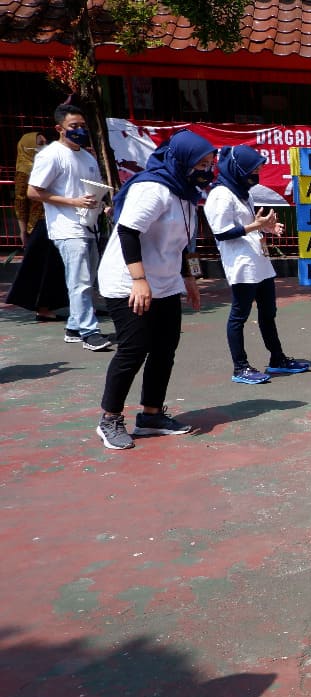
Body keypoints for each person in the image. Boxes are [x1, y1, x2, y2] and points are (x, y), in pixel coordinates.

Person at [94, 130, 217, 450]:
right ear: (182, 161)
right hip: (128, 281)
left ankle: (151, 415)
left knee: (164, 348)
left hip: (164, 281)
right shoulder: (153, 189)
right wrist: (138, 280)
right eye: (201, 163)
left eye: (209, 163)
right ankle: (110, 419)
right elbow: (128, 231)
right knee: (133, 349)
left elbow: (184, 242)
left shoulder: (186, 193)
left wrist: (189, 278)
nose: (206, 170)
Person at [205, 144, 309, 385]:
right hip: (241, 265)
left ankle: (277, 359)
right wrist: (256, 226)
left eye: (258, 171)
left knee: (268, 313)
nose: (256, 175)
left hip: (259, 261)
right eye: (253, 170)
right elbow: (222, 232)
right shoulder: (220, 195)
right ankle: (240, 367)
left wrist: (268, 227)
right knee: (239, 316)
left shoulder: (243, 192)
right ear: (237, 168)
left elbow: (250, 223)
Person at [27, 103, 112, 351]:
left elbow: (94, 189)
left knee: (88, 278)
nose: (80, 130)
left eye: (83, 126)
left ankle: (74, 326)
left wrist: (103, 205)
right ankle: (89, 331)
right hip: (67, 227)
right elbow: (33, 191)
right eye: (74, 126)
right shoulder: (51, 155)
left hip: (89, 224)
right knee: (80, 280)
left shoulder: (87, 156)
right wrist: (73, 202)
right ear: (60, 129)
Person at [6, 131, 69, 321]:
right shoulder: (24, 170)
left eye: (44, 142)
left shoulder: (48, 165)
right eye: (39, 143)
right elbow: (20, 201)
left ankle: (51, 305)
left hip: (55, 219)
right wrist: (23, 230)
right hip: (39, 223)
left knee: (55, 265)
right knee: (43, 267)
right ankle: (42, 308)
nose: (43, 146)